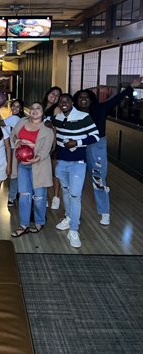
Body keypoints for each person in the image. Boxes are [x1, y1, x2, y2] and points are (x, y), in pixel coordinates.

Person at [73, 78, 141, 225]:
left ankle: (104, 212)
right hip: (78, 147)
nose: (83, 100)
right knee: (76, 181)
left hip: (96, 146)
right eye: (80, 98)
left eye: (87, 97)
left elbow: (116, 99)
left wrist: (130, 87)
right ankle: (72, 215)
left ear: (91, 100)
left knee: (98, 179)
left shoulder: (100, 109)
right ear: (76, 100)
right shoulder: (73, 113)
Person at [52, 94, 99, 248]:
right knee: (65, 192)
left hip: (78, 163)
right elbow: (47, 121)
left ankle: (74, 230)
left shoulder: (83, 116)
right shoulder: (58, 117)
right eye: (61, 102)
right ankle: (69, 217)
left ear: (72, 102)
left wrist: (77, 142)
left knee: (75, 195)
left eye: (66, 101)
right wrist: (47, 122)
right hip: (62, 163)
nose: (64, 103)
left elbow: (95, 136)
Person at [10, 102, 54, 237]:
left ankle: (39, 222)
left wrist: (33, 148)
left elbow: (46, 150)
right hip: (22, 164)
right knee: (24, 195)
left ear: (42, 112)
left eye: (38, 108)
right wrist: (18, 142)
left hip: (39, 166)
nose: (35, 110)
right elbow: (13, 136)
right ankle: (24, 224)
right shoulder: (22, 122)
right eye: (33, 108)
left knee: (39, 196)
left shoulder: (47, 130)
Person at [42, 86, 62, 210]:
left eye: (57, 95)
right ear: (48, 93)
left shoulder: (57, 109)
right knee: (43, 171)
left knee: (55, 172)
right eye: (52, 93)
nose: (54, 96)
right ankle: (43, 197)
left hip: (53, 144)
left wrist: (54, 145)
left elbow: (56, 128)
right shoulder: (42, 107)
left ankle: (56, 197)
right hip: (41, 144)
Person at [3, 98, 26, 207]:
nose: (15, 108)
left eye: (18, 106)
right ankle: (16, 193)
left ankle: (12, 197)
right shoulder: (18, 118)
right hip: (13, 147)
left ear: (21, 109)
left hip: (13, 148)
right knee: (14, 173)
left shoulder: (14, 118)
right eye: (13, 106)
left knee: (13, 173)